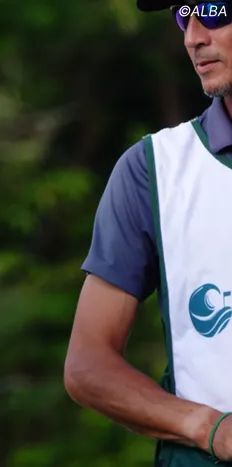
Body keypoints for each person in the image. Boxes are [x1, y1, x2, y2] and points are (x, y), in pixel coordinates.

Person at [64, 1, 232, 465]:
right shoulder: (153, 168)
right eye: (183, 16)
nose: (193, 37)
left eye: (213, 11)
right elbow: (88, 366)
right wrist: (211, 429)